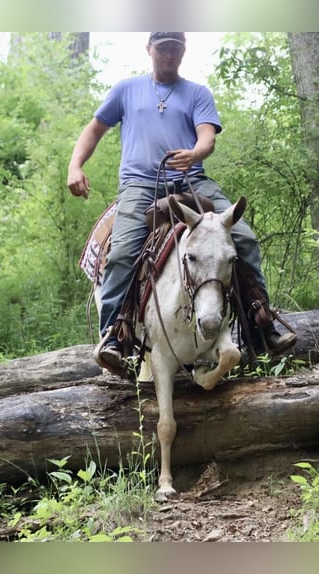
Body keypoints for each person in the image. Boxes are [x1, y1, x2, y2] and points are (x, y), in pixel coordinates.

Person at [67, 32, 296, 374]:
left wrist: (195, 153)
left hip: (192, 180)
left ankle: (260, 322)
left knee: (243, 237)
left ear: (183, 51)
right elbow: (94, 130)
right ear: (150, 50)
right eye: (163, 49)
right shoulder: (125, 90)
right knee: (122, 251)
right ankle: (115, 335)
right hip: (140, 184)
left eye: (176, 49)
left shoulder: (197, 93)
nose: (169, 55)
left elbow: (207, 137)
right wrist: (75, 166)